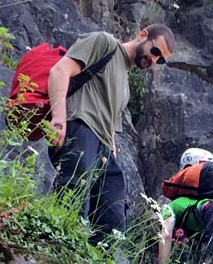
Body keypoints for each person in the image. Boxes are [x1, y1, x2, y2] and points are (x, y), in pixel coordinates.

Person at [45, 24, 176, 243]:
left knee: (113, 216)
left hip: (103, 146)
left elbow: (110, 123)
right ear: (143, 35)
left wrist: (112, 153)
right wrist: (58, 119)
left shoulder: (125, 81)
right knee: (74, 196)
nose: (154, 61)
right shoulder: (104, 43)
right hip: (80, 125)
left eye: (160, 59)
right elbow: (60, 71)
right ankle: (58, 249)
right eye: (155, 52)